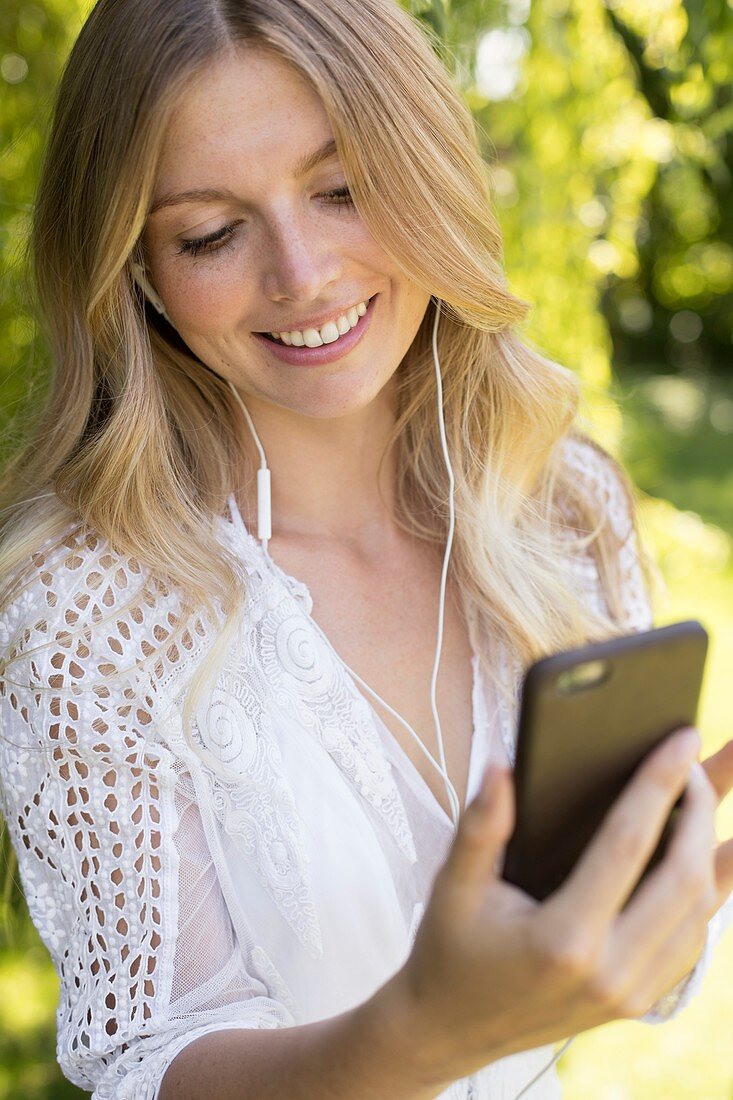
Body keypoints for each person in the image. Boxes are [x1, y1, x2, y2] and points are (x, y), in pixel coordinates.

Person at [0, 1, 732, 1098]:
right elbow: (150, 1061)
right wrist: (427, 1031)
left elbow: (650, 970)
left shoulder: (562, 499)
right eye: (210, 232)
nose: (301, 273)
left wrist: (659, 903)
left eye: (341, 188)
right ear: (136, 270)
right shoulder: (84, 612)